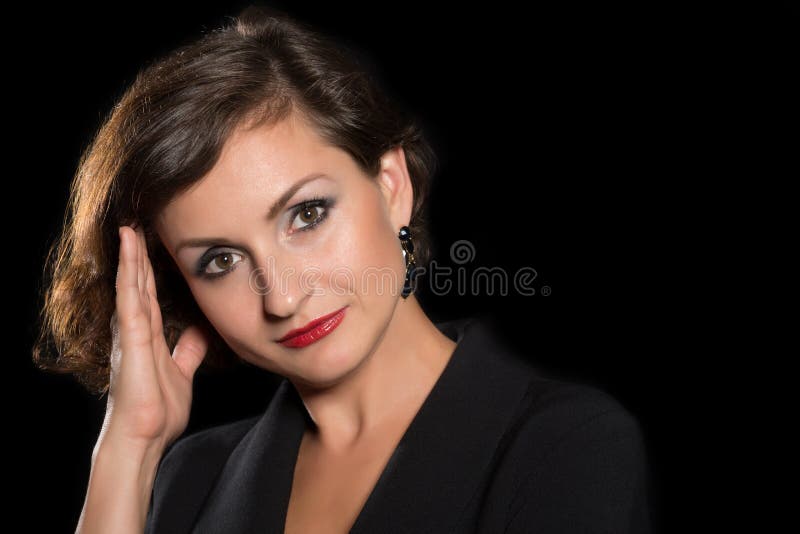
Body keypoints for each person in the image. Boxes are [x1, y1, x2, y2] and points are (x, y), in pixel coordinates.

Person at [33, 4, 655, 533]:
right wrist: (130, 446)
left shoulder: (566, 446)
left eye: (306, 215)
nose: (281, 297)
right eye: (220, 260)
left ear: (392, 187)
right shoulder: (188, 480)